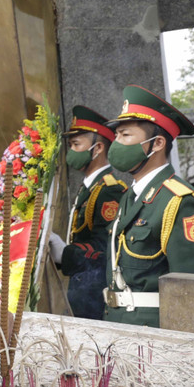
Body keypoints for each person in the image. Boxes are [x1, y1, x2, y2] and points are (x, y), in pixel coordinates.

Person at [103, 86, 194, 329]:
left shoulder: (179, 200)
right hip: (117, 324)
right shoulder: (130, 196)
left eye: (125, 136)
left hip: (153, 332)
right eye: (116, 136)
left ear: (157, 144)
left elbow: (188, 287)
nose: (116, 143)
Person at [48, 106, 126, 320]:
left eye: (76, 144)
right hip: (83, 288)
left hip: (97, 292)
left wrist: (66, 253)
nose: (71, 150)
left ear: (98, 148)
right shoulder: (90, 187)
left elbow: (104, 246)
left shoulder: (109, 189)